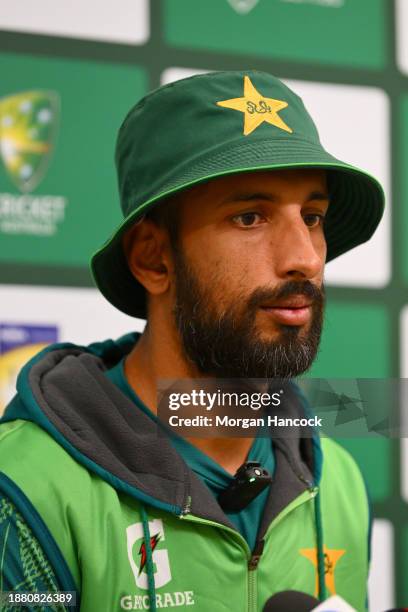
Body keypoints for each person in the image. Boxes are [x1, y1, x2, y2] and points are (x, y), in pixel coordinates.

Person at [0, 70, 384, 611]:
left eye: (313, 216)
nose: (306, 257)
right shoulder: (25, 488)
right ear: (153, 258)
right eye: (250, 217)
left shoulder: (336, 478)